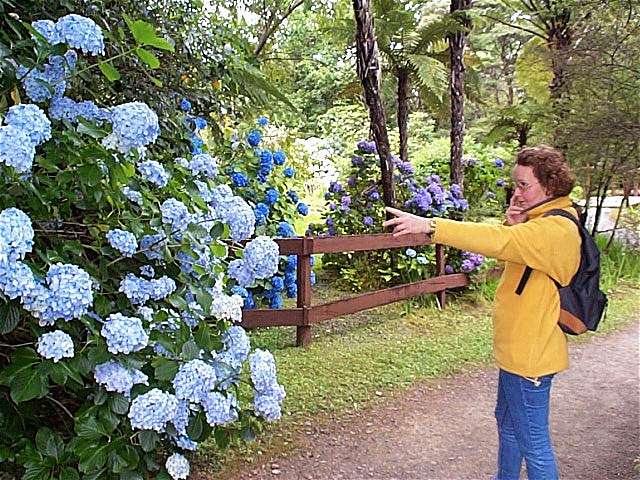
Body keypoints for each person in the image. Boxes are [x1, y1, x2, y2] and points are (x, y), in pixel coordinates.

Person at [383, 145, 580, 480]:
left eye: (523, 186)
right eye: (514, 185)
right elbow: (511, 257)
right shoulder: (539, 222)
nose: (516, 192)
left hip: (530, 357)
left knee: (534, 445)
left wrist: (433, 227)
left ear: (549, 187)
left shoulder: (555, 230)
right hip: (518, 352)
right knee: (507, 425)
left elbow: (496, 241)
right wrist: (515, 220)